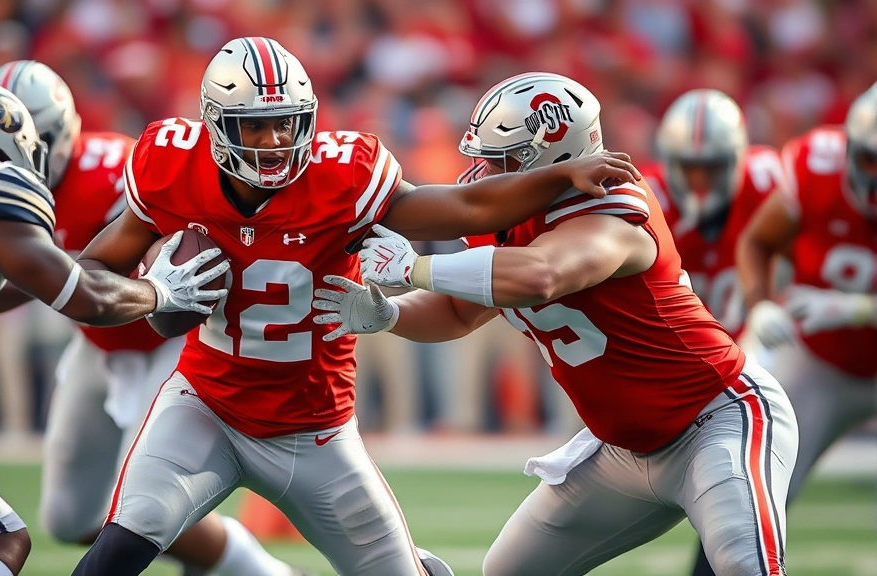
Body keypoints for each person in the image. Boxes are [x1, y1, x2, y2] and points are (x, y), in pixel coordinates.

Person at [69, 38, 639, 576]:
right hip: (205, 406)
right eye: (256, 125)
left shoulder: (342, 174)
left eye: (285, 124)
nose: (273, 141)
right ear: (216, 124)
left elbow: (463, 206)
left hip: (316, 429)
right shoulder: (171, 168)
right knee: (123, 539)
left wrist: (557, 174)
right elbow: (91, 275)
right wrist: (156, 295)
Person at [314, 72, 797, 576]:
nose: (484, 172)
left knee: (746, 566)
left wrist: (414, 267)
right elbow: (459, 312)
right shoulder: (506, 219)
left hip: (713, 420)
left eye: (505, 160)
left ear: (559, 159)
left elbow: (541, 276)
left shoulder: (612, 208)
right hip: (622, 450)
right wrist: (390, 314)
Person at [0, 61, 304, 576]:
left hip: (165, 342)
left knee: (148, 500)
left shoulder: (113, 168)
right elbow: (60, 286)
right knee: (71, 517)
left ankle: (259, 572)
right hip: (100, 337)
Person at [690, 83, 877, 576]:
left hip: (844, 338)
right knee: (751, 490)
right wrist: (760, 305)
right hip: (821, 362)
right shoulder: (818, 168)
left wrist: (860, 309)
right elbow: (758, 241)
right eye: (873, 160)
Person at [648, 88, 786, 337]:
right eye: (689, 168)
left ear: (737, 159)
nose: (700, 181)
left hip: (755, 340)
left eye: (712, 168)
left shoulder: (768, 181)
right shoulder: (647, 199)